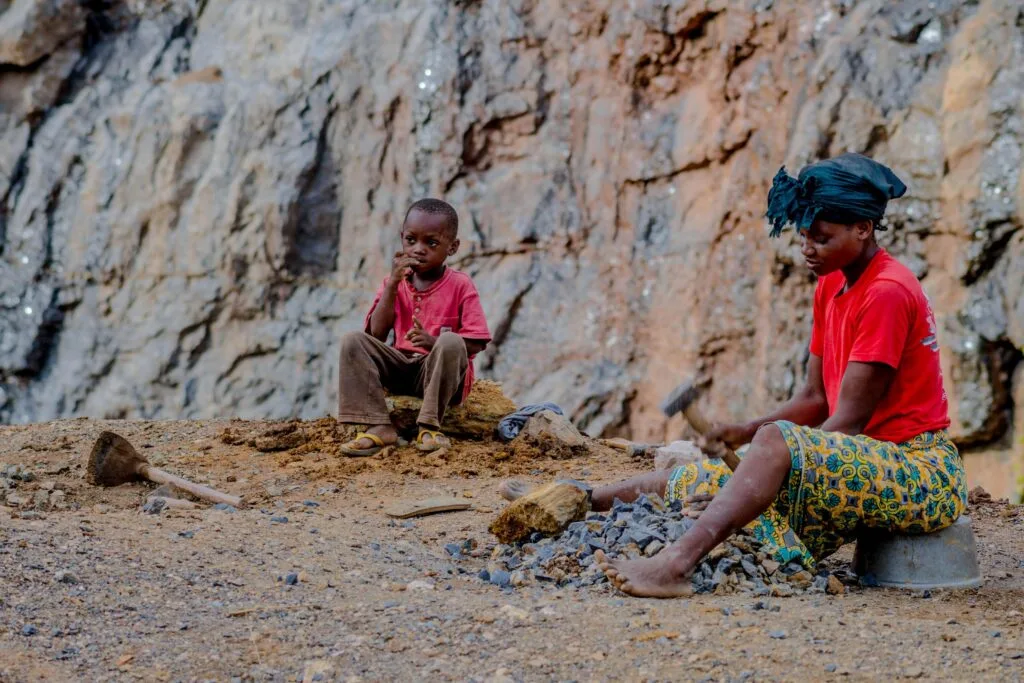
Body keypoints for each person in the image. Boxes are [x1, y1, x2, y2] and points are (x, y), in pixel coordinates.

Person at [508, 154, 967, 597]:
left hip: (916, 471)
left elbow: (845, 424)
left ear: (863, 228)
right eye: (802, 235)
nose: (807, 248)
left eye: (821, 238)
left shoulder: (886, 292)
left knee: (763, 455)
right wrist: (741, 433)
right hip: (858, 462)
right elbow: (815, 398)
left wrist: (756, 468)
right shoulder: (831, 283)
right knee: (706, 476)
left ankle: (674, 566)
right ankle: (579, 498)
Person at [337, 198, 491, 456]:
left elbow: (476, 342)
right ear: (402, 238)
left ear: (452, 247)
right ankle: (379, 425)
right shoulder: (394, 282)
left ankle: (429, 426)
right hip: (401, 369)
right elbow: (375, 334)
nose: (419, 249)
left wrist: (433, 343)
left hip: (439, 375)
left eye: (432, 243)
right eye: (411, 240)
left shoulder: (461, 284)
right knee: (353, 341)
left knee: (451, 341)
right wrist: (392, 285)